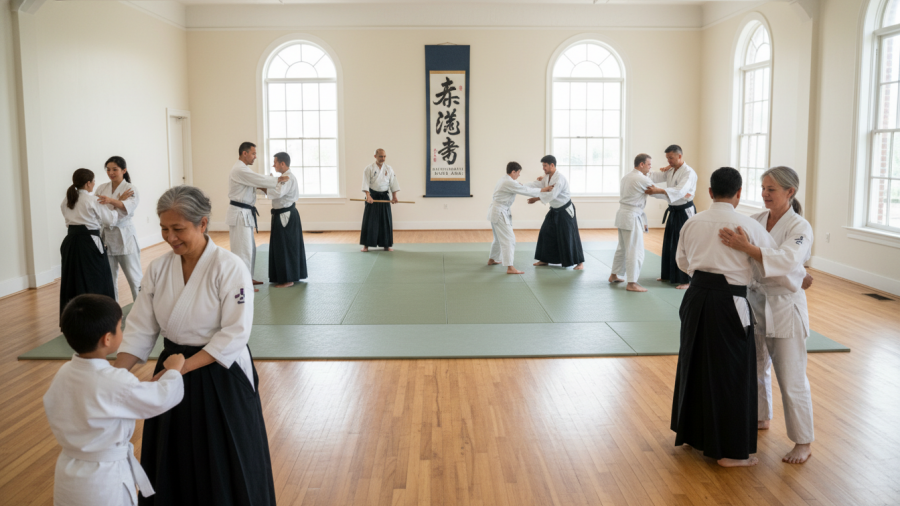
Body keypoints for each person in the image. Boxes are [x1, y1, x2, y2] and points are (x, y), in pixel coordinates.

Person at [113, 186, 276, 505]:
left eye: (178, 229)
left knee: (223, 457)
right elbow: (141, 327)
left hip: (219, 369)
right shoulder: (158, 269)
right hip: (172, 367)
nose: (170, 237)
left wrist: (182, 368)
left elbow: (235, 333)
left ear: (203, 224)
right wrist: (112, 374)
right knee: (172, 457)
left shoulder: (230, 267)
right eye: (163, 229)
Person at [671, 167, 778, 467]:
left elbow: (682, 261)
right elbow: (765, 262)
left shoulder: (693, 222)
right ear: (739, 193)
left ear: (709, 192)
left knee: (695, 362)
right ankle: (730, 452)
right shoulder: (748, 226)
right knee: (732, 372)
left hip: (695, 298)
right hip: (730, 300)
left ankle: (695, 435)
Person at [44, 294, 185, 506]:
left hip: (69, 472)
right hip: (104, 480)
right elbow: (160, 399)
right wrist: (173, 371)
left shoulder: (64, 372)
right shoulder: (115, 381)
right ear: (107, 339)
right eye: (120, 327)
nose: (122, 331)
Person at [718, 166, 815, 464]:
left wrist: (749, 247)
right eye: (762, 188)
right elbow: (742, 255)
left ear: (790, 192)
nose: (764, 194)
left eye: (771, 189)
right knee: (756, 367)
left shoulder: (800, 226)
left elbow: (788, 258)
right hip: (756, 301)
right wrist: (800, 274)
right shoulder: (757, 219)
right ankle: (761, 417)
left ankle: (803, 441)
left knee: (791, 375)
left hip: (786, 306)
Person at [59, 168, 120, 320]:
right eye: (93, 181)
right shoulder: (93, 200)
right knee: (97, 278)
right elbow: (110, 219)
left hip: (70, 242)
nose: (94, 184)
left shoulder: (67, 200)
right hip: (89, 243)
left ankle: (75, 317)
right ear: (87, 184)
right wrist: (117, 203)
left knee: (73, 279)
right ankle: (98, 315)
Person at [227, 142, 289, 290]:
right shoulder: (239, 170)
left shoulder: (244, 171)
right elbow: (257, 179)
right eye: (253, 154)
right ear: (245, 153)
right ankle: (242, 284)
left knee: (250, 249)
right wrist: (277, 180)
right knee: (242, 250)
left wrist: (269, 185)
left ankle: (248, 278)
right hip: (239, 214)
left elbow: (255, 183)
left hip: (245, 213)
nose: (255, 157)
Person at [487, 162, 555, 274]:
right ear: (513, 172)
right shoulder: (508, 182)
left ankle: (492, 259)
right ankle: (510, 267)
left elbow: (522, 186)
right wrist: (544, 189)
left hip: (496, 211)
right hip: (499, 212)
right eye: (518, 173)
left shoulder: (505, 179)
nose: (519, 175)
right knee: (509, 239)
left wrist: (538, 183)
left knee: (498, 238)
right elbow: (525, 191)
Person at [646, 145, 697, 289]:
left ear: (680, 156)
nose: (668, 161)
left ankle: (686, 280)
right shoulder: (671, 170)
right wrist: (644, 171)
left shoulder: (688, 172)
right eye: (667, 158)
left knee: (683, 245)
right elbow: (655, 176)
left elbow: (680, 191)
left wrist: (658, 190)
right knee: (670, 243)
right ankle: (668, 274)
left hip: (684, 212)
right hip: (674, 211)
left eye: (671, 158)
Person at [525, 155, 585, 269]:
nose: (543, 168)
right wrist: (521, 186)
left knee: (569, 236)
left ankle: (580, 262)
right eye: (543, 165)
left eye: (545, 165)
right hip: (554, 209)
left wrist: (536, 199)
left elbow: (552, 194)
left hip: (565, 210)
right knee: (545, 232)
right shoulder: (547, 177)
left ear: (552, 165)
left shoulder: (559, 179)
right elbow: (536, 185)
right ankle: (544, 259)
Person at [95, 156, 141, 302]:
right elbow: (97, 211)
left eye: (115, 169)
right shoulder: (102, 188)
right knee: (109, 279)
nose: (111, 172)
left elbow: (127, 208)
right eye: (108, 169)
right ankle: (113, 312)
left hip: (124, 236)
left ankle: (143, 311)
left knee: (134, 278)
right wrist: (119, 201)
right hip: (106, 237)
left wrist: (111, 201)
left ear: (124, 170)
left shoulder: (131, 189)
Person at [609, 154, 657, 292]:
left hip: (623, 215)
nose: (650, 167)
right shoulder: (640, 178)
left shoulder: (627, 176)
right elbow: (656, 192)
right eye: (649, 164)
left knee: (623, 247)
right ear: (641, 164)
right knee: (635, 250)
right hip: (631, 216)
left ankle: (614, 275)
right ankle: (632, 283)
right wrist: (676, 193)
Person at [266, 152, 307, 287]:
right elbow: (277, 190)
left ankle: (288, 279)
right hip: (284, 215)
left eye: (275, 162)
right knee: (283, 246)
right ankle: (288, 276)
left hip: (285, 216)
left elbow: (277, 193)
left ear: (282, 163)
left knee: (285, 247)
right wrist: (271, 182)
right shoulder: (283, 178)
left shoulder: (288, 178)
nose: (274, 165)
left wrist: (265, 185)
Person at [360, 148, 400, 252]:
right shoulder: (368, 168)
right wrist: (368, 196)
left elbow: (393, 183)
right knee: (370, 221)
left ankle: (386, 245)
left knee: (385, 221)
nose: (383, 158)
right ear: (375, 156)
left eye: (384, 156)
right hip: (372, 196)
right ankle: (366, 245)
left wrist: (394, 196)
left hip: (384, 197)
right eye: (380, 156)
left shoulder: (389, 168)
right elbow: (365, 183)